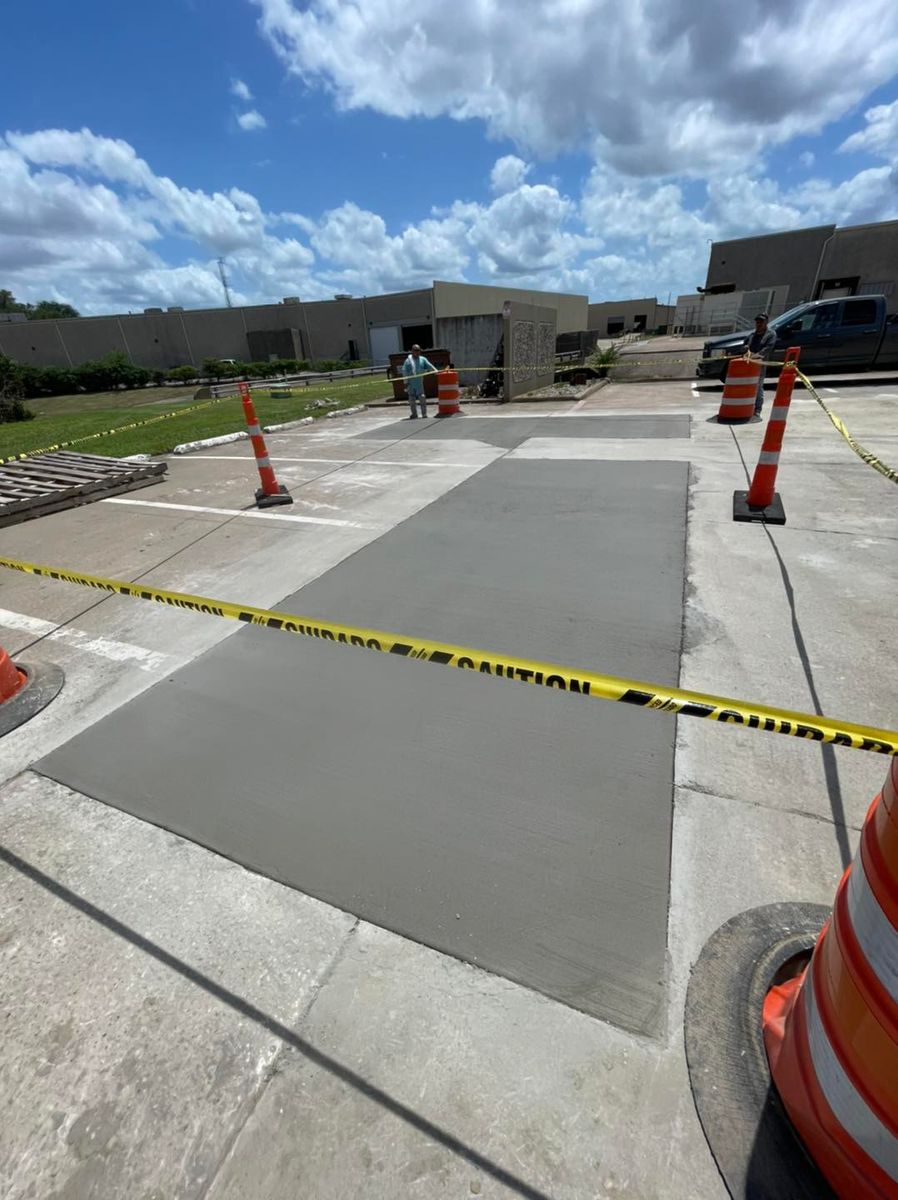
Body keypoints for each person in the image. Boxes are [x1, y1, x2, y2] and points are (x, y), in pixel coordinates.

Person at [745, 312, 777, 419]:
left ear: (766, 322)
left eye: (761, 322)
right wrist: (745, 350)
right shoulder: (752, 335)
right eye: (757, 321)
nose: (758, 324)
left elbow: (767, 349)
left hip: (760, 366)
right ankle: (747, 408)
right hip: (748, 365)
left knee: (758, 388)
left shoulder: (770, 334)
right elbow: (745, 345)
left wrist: (756, 356)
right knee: (747, 387)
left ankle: (757, 410)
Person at [401, 345, 436, 418]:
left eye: (418, 350)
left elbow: (429, 366)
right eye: (415, 350)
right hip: (410, 383)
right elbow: (404, 371)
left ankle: (424, 414)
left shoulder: (423, 359)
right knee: (411, 399)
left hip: (419, 382)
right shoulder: (408, 361)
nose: (417, 352)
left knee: (422, 397)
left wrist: (435, 371)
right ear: (412, 351)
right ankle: (414, 414)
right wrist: (405, 382)